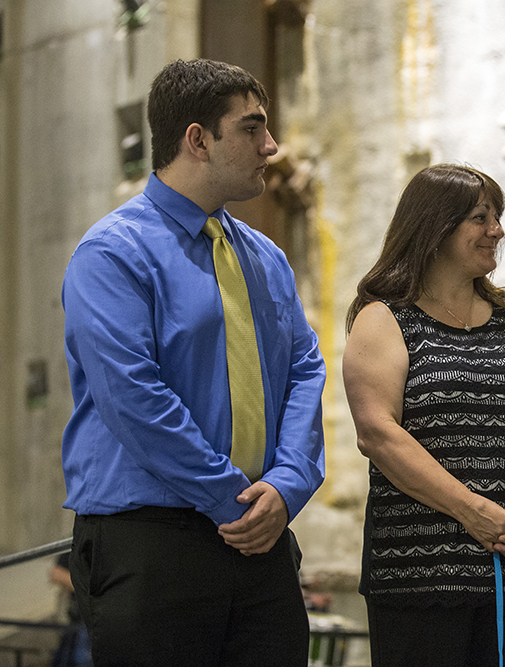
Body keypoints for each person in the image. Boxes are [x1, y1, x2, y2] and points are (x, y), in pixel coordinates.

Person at [61, 59, 326, 667]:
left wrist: (287, 486)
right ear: (197, 140)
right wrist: (231, 496)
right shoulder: (112, 253)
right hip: (153, 541)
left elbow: (306, 370)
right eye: (252, 129)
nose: (272, 146)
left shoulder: (264, 257)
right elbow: (133, 396)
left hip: (260, 536)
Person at [342, 163, 505, 666]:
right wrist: (472, 511)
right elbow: (377, 434)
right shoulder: (385, 319)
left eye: (497, 217)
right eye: (480, 217)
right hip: (419, 572)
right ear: (434, 226)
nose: (497, 230)